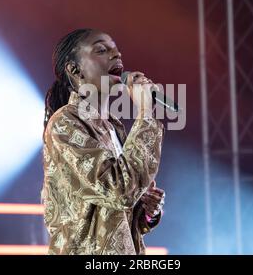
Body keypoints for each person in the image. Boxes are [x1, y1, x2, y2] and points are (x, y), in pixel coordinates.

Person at [41, 28, 166, 255]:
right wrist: (146, 111)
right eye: (101, 50)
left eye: (117, 50)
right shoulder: (65, 123)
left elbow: (116, 209)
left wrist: (146, 212)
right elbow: (119, 190)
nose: (116, 55)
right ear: (74, 69)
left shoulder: (114, 128)